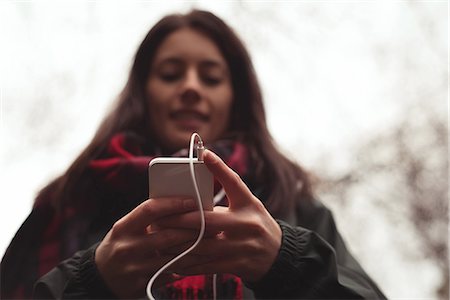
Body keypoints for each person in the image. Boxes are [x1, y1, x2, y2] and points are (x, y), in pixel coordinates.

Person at [1, 9, 386, 299]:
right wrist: (91, 282)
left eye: (211, 77)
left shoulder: (294, 205)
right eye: (170, 74)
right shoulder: (66, 202)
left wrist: (287, 262)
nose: (190, 87)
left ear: (236, 98)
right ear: (142, 92)